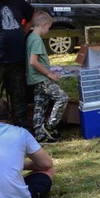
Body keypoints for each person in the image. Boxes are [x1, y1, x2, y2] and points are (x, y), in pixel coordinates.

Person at [26, 12, 68, 143]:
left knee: (40, 104)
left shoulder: (30, 37)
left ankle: (39, 133)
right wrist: (48, 73)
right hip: (41, 78)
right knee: (62, 97)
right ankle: (50, 126)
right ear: (44, 25)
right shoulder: (37, 40)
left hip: (35, 79)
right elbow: (33, 61)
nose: (48, 30)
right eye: (49, 27)